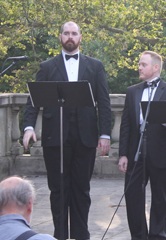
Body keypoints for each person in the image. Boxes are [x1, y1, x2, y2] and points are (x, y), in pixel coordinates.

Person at [22, 21, 112, 240]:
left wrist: (105, 134)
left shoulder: (96, 66)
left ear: (81, 37)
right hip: (55, 137)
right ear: (60, 37)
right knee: (58, 190)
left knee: (82, 191)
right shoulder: (47, 67)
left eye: (74, 33)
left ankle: (82, 236)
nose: (70, 37)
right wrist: (28, 127)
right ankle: (59, 236)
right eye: (66, 33)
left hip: (86, 136)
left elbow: (104, 102)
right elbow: (33, 100)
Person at [118, 51, 166, 240]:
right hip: (135, 152)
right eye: (139, 64)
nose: (139, 67)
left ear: (156, 68)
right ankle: (138, 236)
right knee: (132, 197)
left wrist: (165, 119)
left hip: (160, 151)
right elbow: (125, 125)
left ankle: (157, 236)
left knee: (160, 199)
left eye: (143, 64)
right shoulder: (132, 91)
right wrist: (123, 154)